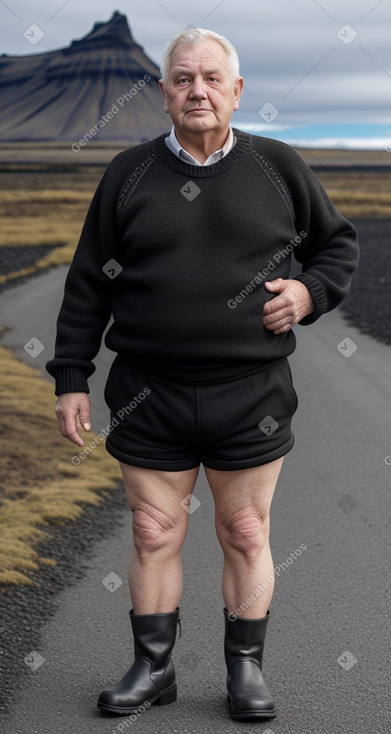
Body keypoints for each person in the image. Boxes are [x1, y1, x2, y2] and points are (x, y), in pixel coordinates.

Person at [46, 27, 359, 721]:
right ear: (162, 94)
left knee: (245, 531)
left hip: (251, 395)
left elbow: (336, 245)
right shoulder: (127, 174)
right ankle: (152, 669)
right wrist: (71, 376)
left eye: (212, 78)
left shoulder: (277, 166)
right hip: (146, 395)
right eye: (182, 78)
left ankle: (244, 670)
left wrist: (308, 295)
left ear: (237, 90)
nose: (197, 90)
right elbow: (88, 284)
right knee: (153, 533)